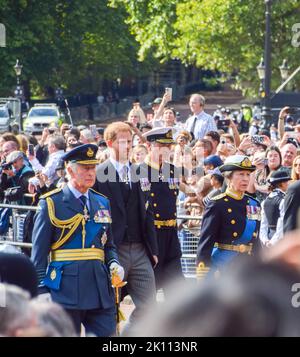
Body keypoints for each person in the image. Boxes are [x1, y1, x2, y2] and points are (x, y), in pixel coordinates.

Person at [31, 143, 124, 337]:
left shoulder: (102, 201)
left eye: (93, 168)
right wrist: (41, 291)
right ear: (70, 170)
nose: (91, 173)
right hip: (64, 288)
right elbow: (38, 254)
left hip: (99, 288)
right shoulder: (51, 202)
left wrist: (114, 262)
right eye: (85, 168)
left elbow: (109, 245)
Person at [94, 122, 158, 327]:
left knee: (150, 308)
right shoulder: (97, 174)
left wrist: (153, 248)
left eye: (130, 141)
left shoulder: (140, 172)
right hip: (113, 248)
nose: (128, 146)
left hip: (140, 249)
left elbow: (148, 211)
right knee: (109, 308)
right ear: (109, 143)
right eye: (123, 142)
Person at [197, 155, 261, 276]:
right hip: (223, 266)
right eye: (241, 174)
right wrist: (203, 273)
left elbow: (256, 241)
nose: (246, 179)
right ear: (228, 177)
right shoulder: (217, 203)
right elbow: (206, 242)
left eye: (248, 175)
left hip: (247, 266)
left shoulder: (254, 204)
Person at [142, 127, 184, 293]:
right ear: (150, 146)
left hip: (171, 235)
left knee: (176, 289)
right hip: (152, 235)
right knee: (149, 290)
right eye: (161, 146)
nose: (165, 150)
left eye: (168, 146)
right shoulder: (138, 171)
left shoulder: (171, 170)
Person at [260, 171, 291, 247]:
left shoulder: (265, 201)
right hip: (281, 240)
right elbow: (282, 224)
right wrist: (273, 242)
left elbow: (263, 224)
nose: (288, 184)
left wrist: (265, 240)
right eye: (287, 182)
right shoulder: (283, 200)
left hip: (269, 237)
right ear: (282, 183)